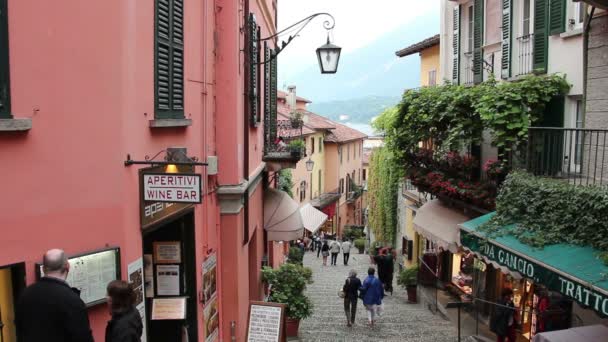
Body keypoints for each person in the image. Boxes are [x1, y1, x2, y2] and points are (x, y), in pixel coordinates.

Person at [15, 249, 94, 342]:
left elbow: (19, 329)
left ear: (44, 269)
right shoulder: (72, 301)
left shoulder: (25, 294)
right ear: (67, 267)